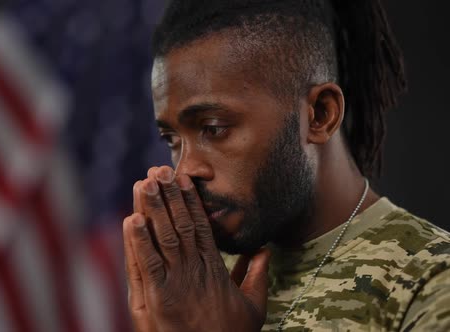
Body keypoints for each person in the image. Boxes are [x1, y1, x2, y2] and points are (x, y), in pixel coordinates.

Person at [122, 0, 450, 331]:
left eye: (214, 128)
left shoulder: (431, 283)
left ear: (320, 115)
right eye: (172, 139)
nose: (184, 172)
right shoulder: (193, 279)